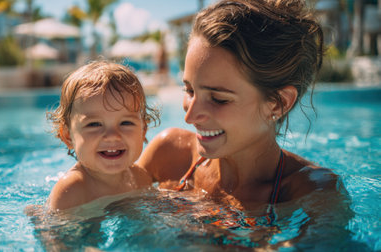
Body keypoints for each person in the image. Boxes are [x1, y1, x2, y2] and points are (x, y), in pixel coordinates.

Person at [138, 0, 345, 213]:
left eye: (218, 99)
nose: (190, 117)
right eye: (190, 91)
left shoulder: (312, 193)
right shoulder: (169, 156)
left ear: (278, 103)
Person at [46, 60, 159, 211]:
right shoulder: (71, 192)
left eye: (126, 123)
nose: (112, 136)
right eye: (94, 124)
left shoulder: (140, 178)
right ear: (68, 136)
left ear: (143, 130)